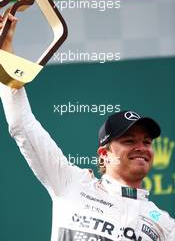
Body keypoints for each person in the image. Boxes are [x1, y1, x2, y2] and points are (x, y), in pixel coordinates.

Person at [0, 14, 175, 241]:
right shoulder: (70, 182)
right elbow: (22, 124)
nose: (141, 147)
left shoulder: (164, 225)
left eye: (147, 141)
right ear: (104, 154)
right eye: (129, 141)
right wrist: (4, 51)